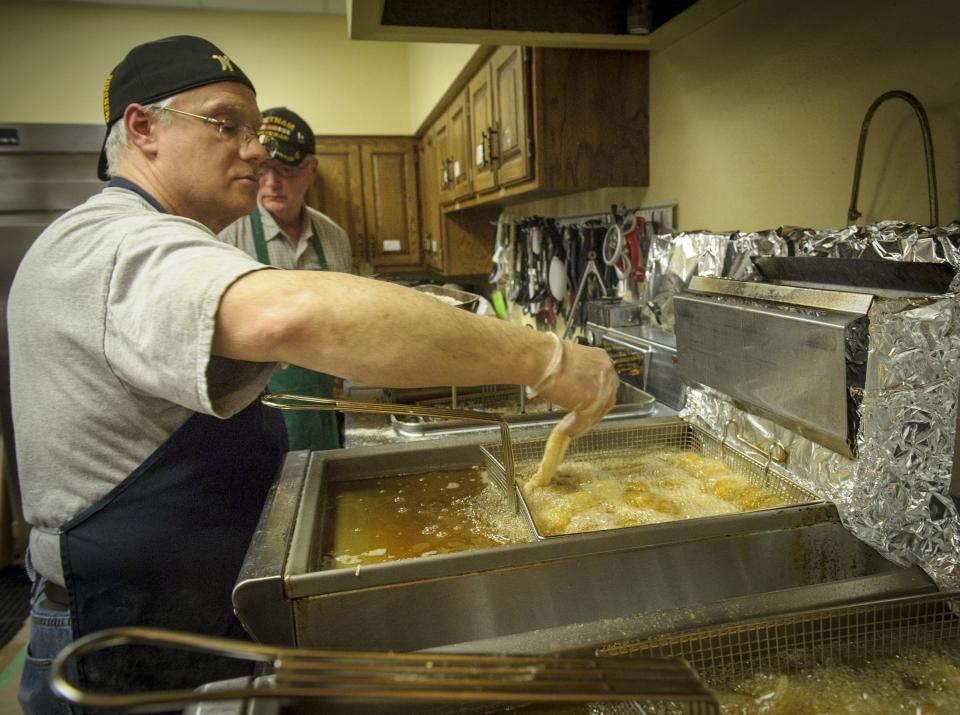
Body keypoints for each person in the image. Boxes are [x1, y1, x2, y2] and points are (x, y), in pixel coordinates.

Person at [8, 35, 617, 714]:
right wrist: (546, 358)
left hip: (188, 620)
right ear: (142, 127)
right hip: (120, 636)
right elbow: (291, 314)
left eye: (254, 129)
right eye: (225, 123)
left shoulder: (167, 238)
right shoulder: (109, 243)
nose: (254, 149)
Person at [219, 107, 350, 451]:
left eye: (287, 170)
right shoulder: (228, 235)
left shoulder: (334, 238)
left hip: (321, 407)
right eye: (265, 169)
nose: (273, 183)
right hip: (256, 418)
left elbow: (346, 322)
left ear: (312, 170)